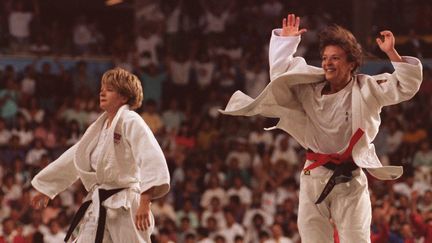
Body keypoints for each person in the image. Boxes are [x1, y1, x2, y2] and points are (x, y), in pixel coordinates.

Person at [220, 13, 422, 242]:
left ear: (351, 63)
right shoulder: (309, 89)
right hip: (314, 174)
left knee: (356, 239)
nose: (327, 63)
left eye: (335, 58)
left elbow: (406, 85)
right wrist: (286, 43)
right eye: (325, 57)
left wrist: (391, 53)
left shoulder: (367, 88)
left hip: (351, 178)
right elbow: (280, 77)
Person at [30, 67, 170, 242]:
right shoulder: (99, 128)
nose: (102, 93)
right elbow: (75, 157)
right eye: (102, 89)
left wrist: (145, 202)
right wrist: (47, 188)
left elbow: (151, 157)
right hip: (99, 202)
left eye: (109, 90)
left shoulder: (131, 121)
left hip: (126, 203)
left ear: (124, 97)